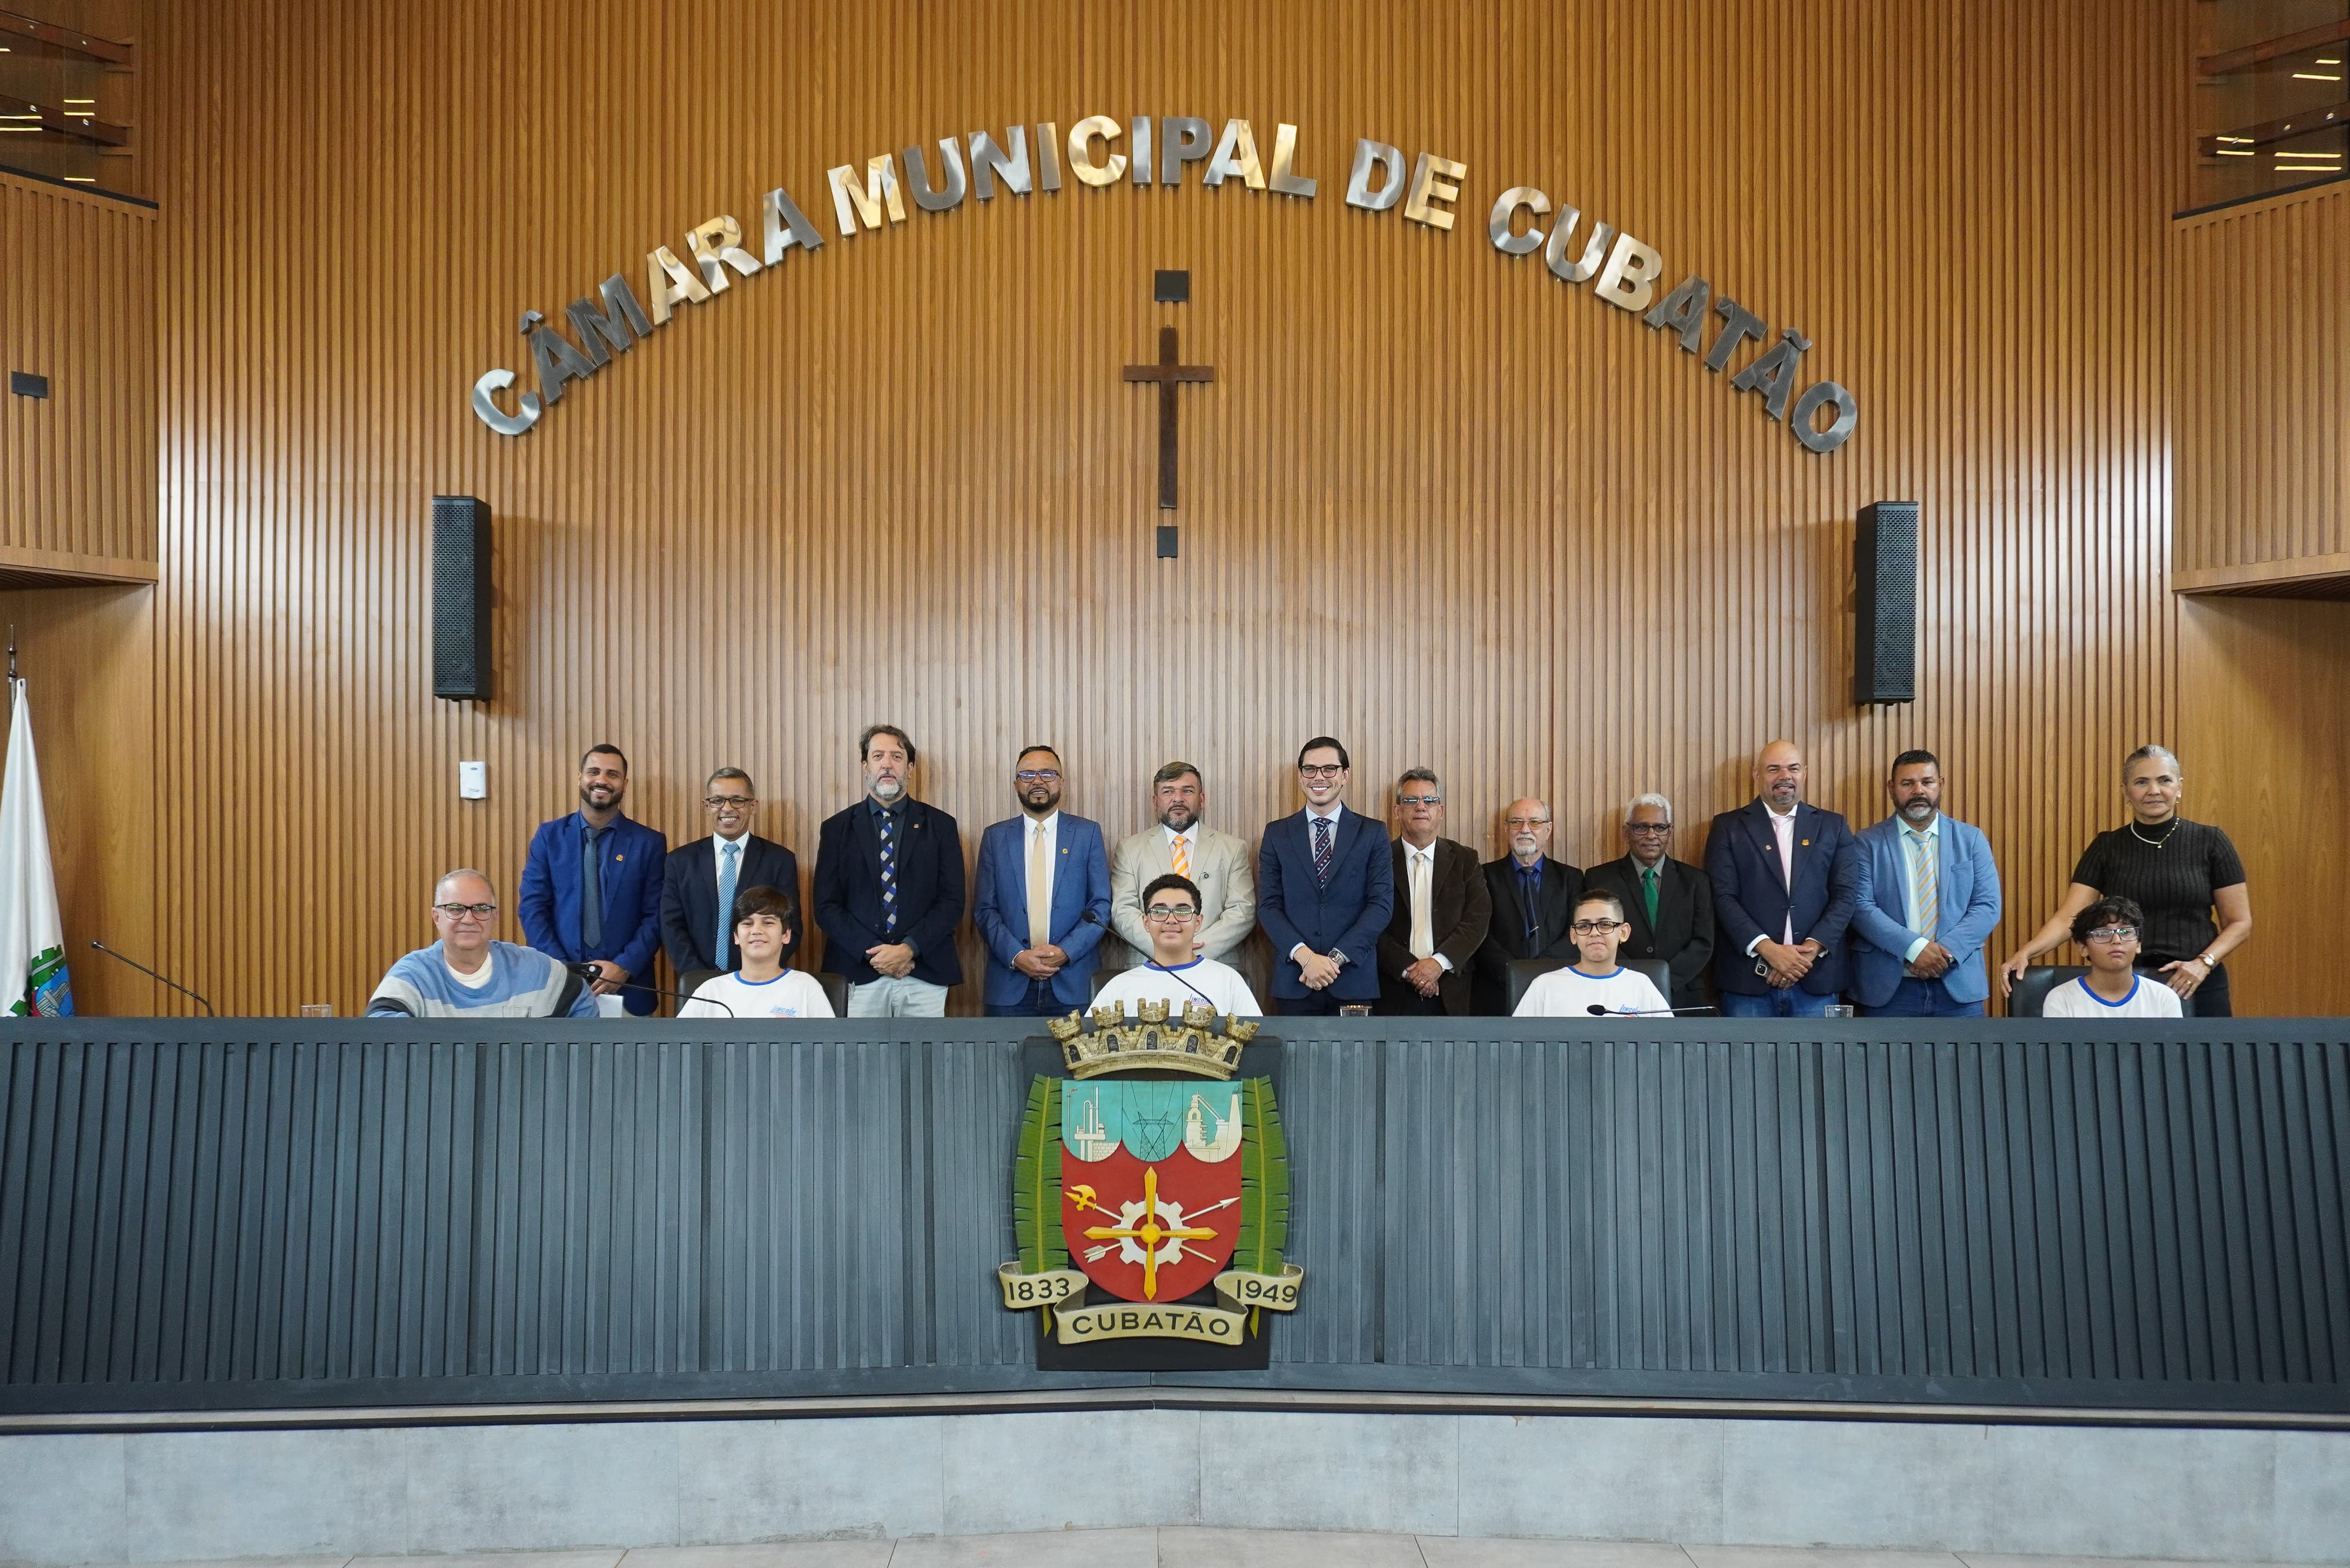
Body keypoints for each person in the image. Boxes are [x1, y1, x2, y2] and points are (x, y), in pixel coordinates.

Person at [2000, 745, 2250, 1017]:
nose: (2154, 790)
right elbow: (2069, 917)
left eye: (2164, 780)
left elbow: (2240, 922)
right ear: (2126, 791)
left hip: (2196, 979)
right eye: (2142, 782)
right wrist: (2027, 952)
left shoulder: (2211, 841)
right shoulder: (2107, 846)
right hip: (2127, 980)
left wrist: (2204, 963)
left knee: (2205, 1060)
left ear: (2179, 787)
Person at [813, 724, 966, 1016]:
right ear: (864, 766)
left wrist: (908, 949)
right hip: (859, 970)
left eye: (896, 757)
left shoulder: (941, 826)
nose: (887, 764)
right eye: (878, 756)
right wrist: (876, 953)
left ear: (909, 768)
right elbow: (826, 906)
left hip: (924, 972)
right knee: (860, 1061)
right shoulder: (836, 829)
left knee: (924, 1062)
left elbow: (952, 902)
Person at [1705, 738, 1861, 1018]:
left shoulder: (1833, 826)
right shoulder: (1728, 827)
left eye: (1793, 768)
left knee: (1820, 1063)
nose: (1784, 777)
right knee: (1747, 1062)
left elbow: (1846, 894)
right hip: (1749, 981)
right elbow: (1722, 897)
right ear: (1757, 774)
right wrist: (1770, 951)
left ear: (1805, 773)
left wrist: (1809, 952)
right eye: (1774, 769)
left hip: (1817, 979)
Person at [1847, 751, 2003, 1018]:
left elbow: (1987, 906)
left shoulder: (1971, 839)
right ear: (1891, 788)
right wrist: (1915, 949)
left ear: (1941, 784)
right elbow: (1860, 907)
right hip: (1889, 989)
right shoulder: (1866, 843)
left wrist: (1945, 953)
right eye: (1907, 783)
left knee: (1964, 1061)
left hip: (1958, 984)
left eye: (1927, 782)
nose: (1918, 791)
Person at [518, 744, 669, 1015]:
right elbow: (532, 909)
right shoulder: (549, 837)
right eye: (594, 772)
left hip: (630, 992)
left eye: (612, 774)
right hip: (558, 989)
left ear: (624, 783)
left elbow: (656, 915)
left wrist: (624, 967)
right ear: (580, 777)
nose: (602, 780)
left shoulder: (649, 843)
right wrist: (563, 970)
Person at [1257, 737, 1395, 1014]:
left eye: (1329, 769)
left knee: (1354, 1059)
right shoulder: (1277, 833)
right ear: (1301, 776)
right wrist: (1307, 959)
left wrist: (1332, 960)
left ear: (1345, 776)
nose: (1319, 777)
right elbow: (1269, 906)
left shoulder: (1373, 832)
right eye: (1310, 769)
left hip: (1353, 979)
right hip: (1295, 979)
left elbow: (1381, 906)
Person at [972, 744, 1112, 1017]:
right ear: (1016, 785)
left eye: (1048, 774)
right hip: (1009, 984)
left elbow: (1100, 906)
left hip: (1074, 981)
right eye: (1027, 775)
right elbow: (985, 910)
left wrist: (1065, 952)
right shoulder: (995, 838)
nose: (1037, 781)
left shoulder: (1087, 834)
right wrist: (1017, 956)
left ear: (1062, 782)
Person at [368, 869, 596, 1018]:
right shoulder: (414, 974)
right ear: (437, 917)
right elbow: (378, 1035)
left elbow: (582, 1004)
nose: (469, 919)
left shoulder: (534, 968)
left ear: (495, 917)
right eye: (455, 909)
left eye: (480, 909)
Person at [660, 767, 800, 999]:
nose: (727, 808)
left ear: (752, 806)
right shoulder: (680, 861)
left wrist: (755, 974)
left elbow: (790, 926)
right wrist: (698, 978)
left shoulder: (779, 860)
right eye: (717, 800)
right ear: (706, 807)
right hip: (698, 986)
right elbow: (671, 925)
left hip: (760, 985)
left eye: (737, 800)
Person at [1109, 761, 1257, 965]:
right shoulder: (1130, 849)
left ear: (1201, 800)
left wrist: (1195, 950)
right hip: (1148, 962)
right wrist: (1164, 947)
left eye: (1187, 791)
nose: (1178, 799)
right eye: (1168, 792)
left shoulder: (1232, 848)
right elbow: (1122, 910)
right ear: (1155, 801)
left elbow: (1243, 910)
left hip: (1214, 963)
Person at [1582, 794, 1715, 1012]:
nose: (1652, 835)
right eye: (1641, 827)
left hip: (1682, 994)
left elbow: (1704, 942)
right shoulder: (1599, 878)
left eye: (1660, 827)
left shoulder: (1696, 881)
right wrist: (1634, 979)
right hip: (1619, 992)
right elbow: (1597, 934)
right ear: (1626, 832)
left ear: (1670, 833)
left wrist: (1663, 979)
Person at [1375, 768, 1492, 1015]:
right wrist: (1410, 969)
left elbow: (1478, 918)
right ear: (1397, 811)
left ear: (1441, 811)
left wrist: (1437, 964)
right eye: (1410, 800)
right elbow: (1369, 923)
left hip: (1451, 988)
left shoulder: (1465, 860)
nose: (1420, 807)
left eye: (1429, 800)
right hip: (1392, 989)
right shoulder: (1378, 859)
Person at [1469, 798, 1582, 1015]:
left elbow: (1576, 931)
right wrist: (1515, 974)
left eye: (1535, 823)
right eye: (1516, 822)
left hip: (1559, 991)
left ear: (1548, 830)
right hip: (1498, 993)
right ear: (1506, 829)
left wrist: (1541, 973)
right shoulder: (1482, 876)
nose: (1525, 829)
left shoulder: (1571, 879)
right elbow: (1479, 933)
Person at [1093, 874, 1262, 1018]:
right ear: (1146, 922)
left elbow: (1258, 1044)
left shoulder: (1228, 981)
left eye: (1183, 911)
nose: (1171, 920)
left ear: (1198, 922)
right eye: (1159, 911)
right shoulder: (1118, 988)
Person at [678, 884, 835, 1019]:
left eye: (768, 922)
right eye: (747, 923)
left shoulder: (806, 988)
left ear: (786, 935)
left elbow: (830, 1050)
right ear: (736, 936)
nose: (756, 930)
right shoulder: (710, 991)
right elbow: (677, 1047)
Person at [1513, 891, 1672, 1018]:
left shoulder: (1641, 985)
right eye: (1584, 926)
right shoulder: (1544, 986)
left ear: (1623, 932)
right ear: (1573, 935)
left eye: (1605, 924)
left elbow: (1668, 1047)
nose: (1594, 933)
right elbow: (1516, 1047)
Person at [2037, 896, 2183, 1019]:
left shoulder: (2163, 998)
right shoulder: (2061, 999)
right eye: (2102, 933)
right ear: (2083, 948)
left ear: (2138, 944)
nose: (2117, 940)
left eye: (2126, 932)